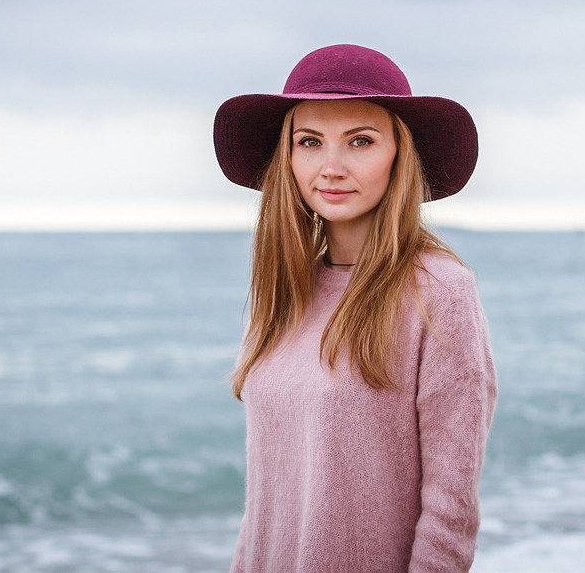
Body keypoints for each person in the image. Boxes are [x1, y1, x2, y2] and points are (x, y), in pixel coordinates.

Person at [213, 44, 497, 572]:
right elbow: (266, 504)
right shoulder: (283, 292)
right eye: (310, 142)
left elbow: (450, 511)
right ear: (288, 158)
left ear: (399, 155)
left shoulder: (439, 291)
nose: (331, 166)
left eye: (360, 141)